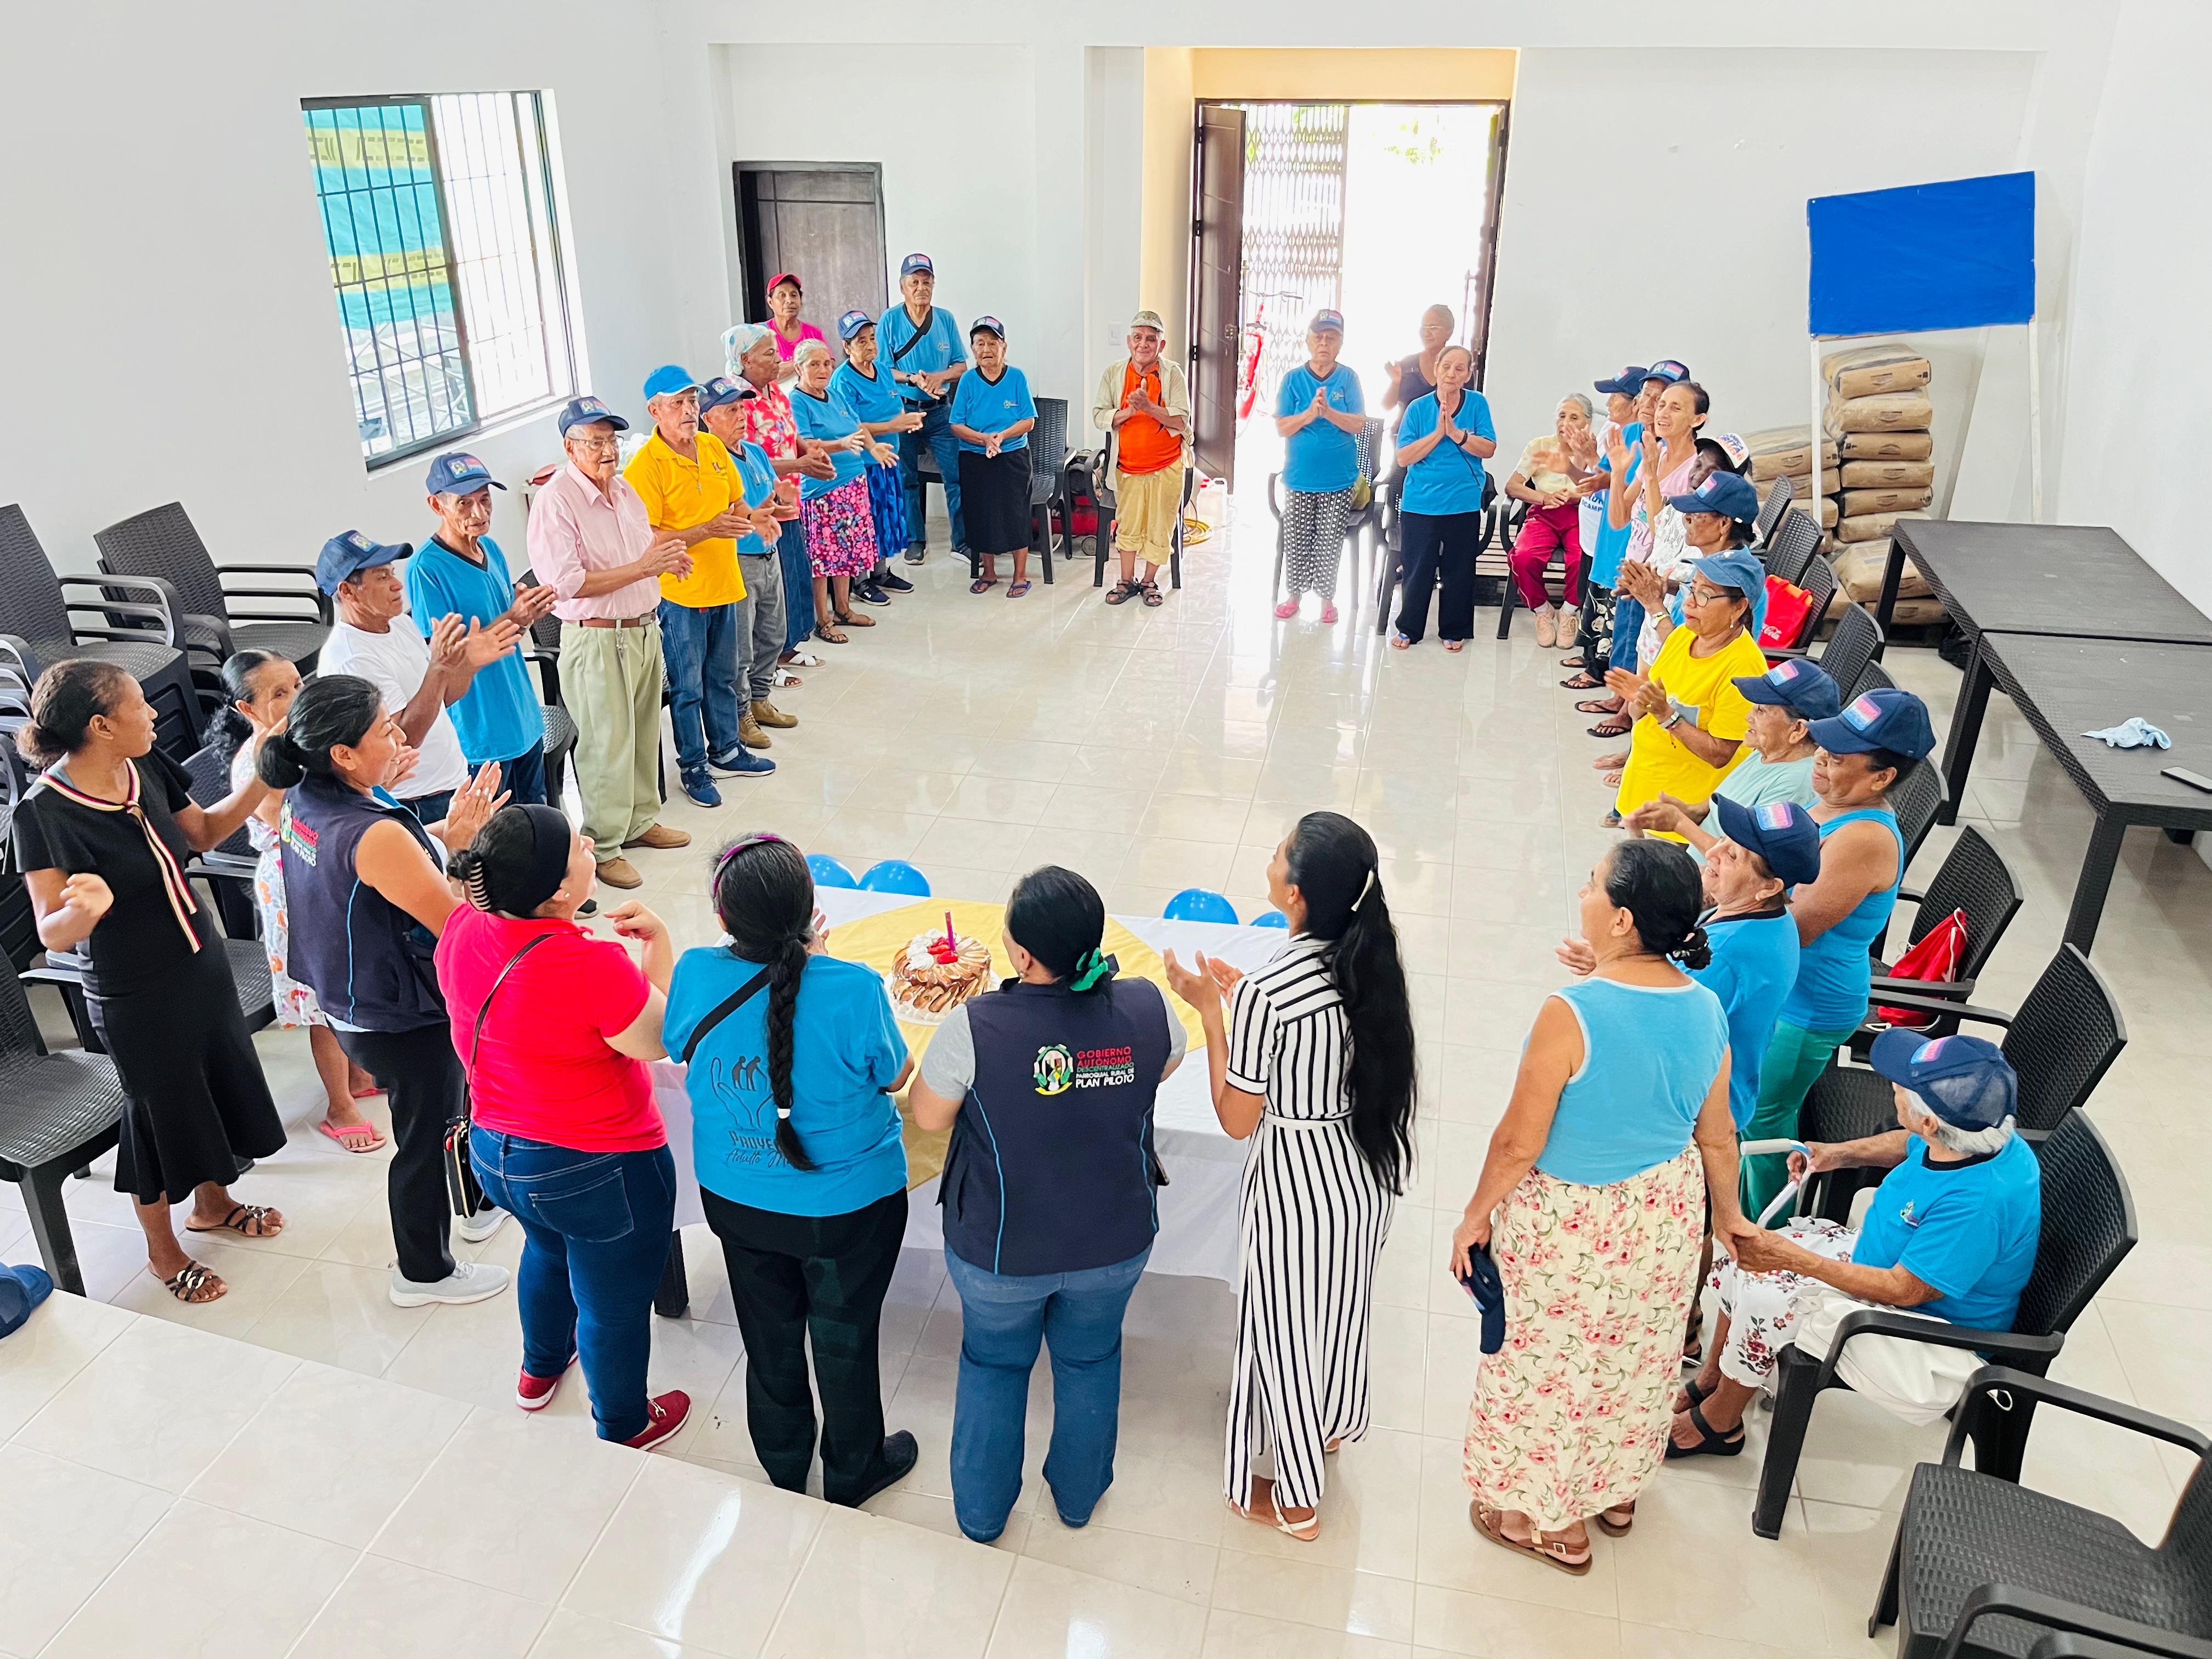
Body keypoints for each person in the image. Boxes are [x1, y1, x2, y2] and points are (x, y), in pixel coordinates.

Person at [1453, 840, 1746, 1572]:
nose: (1582, 895)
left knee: (1547, 1366)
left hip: (1572, 1222)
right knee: (1636, 1359)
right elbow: (1717, 1135)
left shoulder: (1571, 1013)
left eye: (1592, 885)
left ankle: (1548, 1524)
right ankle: (1616, 1497)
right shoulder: (1705, 1007)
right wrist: (1731, 1219)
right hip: (1665, 1214)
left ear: (1621, 920)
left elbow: (1519, 1142)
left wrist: (1475, 1215)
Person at [911, 866, 1184, 1542]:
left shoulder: (976, 1025)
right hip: (1115, 1240)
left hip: (1001, 1250)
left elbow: (930, 1116)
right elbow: (1163, 1065)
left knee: (995, 1366)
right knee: (1090, 1360)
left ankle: (981, 1515)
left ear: (1024, 956)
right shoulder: (1148, 1008)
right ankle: (1079, 1499)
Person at [1164, 811, 1415, 1544]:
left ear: (1297, 894)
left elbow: (1237, 1117)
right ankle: (1329, 1425)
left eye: (1279, 854)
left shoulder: (1274, 988)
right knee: (1336, 1312)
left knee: (1281, 1332)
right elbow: (1323, 1037)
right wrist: (1244, 1003)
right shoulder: (1367, 958)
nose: (1269, 861)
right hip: (1361, 1174)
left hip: (1295, 1186)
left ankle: (1297, 1499)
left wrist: (1213, 1015)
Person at [12, 662, 289, 1305]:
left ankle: (214, 1204)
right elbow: (52, 931)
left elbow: (203, 832)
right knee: (158, 1113)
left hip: (200, 960)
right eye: (140, 704)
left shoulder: (143, 763)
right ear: (102, 725)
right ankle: (163, 1252)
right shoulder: (42, 813)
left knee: (213, 1084)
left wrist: (263, 768)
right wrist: (83, 912)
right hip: (134, 990)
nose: (156, 712)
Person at [672, 834, 918, 1505]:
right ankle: (853, 1470)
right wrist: (822, 963)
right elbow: (897, 1075)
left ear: (723, 919)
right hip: (848, 1209)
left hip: (736, 1198)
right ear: (812, 915)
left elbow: (676, 1040)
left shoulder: (695, 972)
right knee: (845, 1339)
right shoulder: (854, 988)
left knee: (767, 1335)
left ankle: (783, 1463)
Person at [439, 803, 691, 1449]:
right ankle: (624, 1425)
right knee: (613, 1305)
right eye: (576, 844)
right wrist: (659, 948)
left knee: (547, 1252)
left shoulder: (463, 927)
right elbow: (660, 1040)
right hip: (597, 1166)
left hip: (497, 1153)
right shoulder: (592, 966)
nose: (587, 841)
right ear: (557, 893)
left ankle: (540, 1369)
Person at [262, 672, 514, 1307]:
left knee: (452, 1114)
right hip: (400, 1014)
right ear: (343, 754)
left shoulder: (304, 797)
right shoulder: (373, 833)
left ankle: (476, 1205)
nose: (401, 738)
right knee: (426, 1140)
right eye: (385, 730)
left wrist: (428, 826)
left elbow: (374, 876)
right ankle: (422, 1273)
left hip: (351, 997)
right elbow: (455, 926)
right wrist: (463, 851)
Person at [1675, 1031, 2040, 1457]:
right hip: (1884, 1260)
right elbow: (1909, 1142)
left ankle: (1721, 1423)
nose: (1893, 1085)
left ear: (1929, 1121)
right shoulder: (1977, 1131)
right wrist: (1838, 1154)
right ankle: (1715, 1377)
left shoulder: (1980, 1203)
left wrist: (1794, 1259)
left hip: (1926, 1326)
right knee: (1742, 1262)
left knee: (1766, 1296)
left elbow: (1905, 1290)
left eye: (1902, 1086)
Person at [1741, 689, 1937, 1216]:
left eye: (1841, 756)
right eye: (1827, 745)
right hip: (1785, 988)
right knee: (1748, 1110)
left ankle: (1766, 1232)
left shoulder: (1863, 837)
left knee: (1764, 1119)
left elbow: (1795, 929)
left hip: (1808, 1005)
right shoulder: (1829, 803)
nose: (1822, 757)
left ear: (1881, 777)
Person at [214, 650, 384, 1152]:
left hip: (325, 869)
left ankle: (359, 1075)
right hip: (295, 882)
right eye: (279, 693)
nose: (295, 697)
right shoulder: (258, 762)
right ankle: (339, 1105)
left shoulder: (303, 742)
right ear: (248, 710)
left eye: (297, 684)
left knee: (347, 977)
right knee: (319, 997)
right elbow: (296, 824)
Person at [526, 395, 695, 892]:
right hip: (597, 638)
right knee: (605, 745)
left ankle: (639, 822)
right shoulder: (557, 501)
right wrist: (643, 569)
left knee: (643, 733)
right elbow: (567, 584)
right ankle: (601, 847)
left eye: (612, 440)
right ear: (570, 447)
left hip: (642, 629)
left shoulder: (622, 490)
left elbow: (641, 549)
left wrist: (666, 557)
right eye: (595, 442)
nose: (608, 451)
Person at [623, 364, 777, 808]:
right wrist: (706, 530)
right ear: (655, 411)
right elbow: (649, 540)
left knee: (723, 676)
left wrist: (756, 518)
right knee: (688, 688)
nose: (689, 410)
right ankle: (693, 767)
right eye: (678, 403)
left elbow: (736, 504)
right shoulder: (645, 467)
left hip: (725, 582)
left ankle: (727, 750)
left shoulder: (711, 446)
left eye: (692, 401)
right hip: (681, 594)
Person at [315, 530, 516, 829]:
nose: (397, 585)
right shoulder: (351, 658)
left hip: (452, 782)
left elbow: (439, 697)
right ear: (348, 591)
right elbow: (403, 738)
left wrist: (470, 664)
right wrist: (439, 667)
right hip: (417, 802)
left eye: (392, 573)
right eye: (382, 577)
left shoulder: (398, 623)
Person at [408, 452, 558, 805]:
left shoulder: (490, 548)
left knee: (539, 822)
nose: (479, 513)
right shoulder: (426, 569)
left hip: (522, 718)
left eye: (485, 500)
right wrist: (514, 618)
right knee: (496, 832)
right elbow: (446, 659)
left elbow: (509, 635)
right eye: (464, 503)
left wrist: (526, 616)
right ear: (436, 505)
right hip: (480, 733)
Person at [1606, 545, 1770, 831]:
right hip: (1643, 790)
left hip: (1682, 814)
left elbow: (1720, 754)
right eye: (1691, 589)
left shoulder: (1745, 670)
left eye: (1705, 595)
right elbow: (1647, 707)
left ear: (1739, 607)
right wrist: (1641, 702)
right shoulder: (1685, 635)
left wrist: (1665, 714)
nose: (1689, 603)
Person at [1621, 658, 1836, 851]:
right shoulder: (1765, 753)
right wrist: (1687, 811)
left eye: (1761, 710)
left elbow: (1744, 865)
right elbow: (1713, 812)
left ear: (1797, 730)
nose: (1749, 717)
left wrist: (1680, 823)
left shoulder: (1794, 785)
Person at [1567, 362, 1685, 711]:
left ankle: (1626, 708)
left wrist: (1633, 475)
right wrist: (1610, 470)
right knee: (1624, 632)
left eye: (1665, 401)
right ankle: (1620, 702)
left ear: (1696, 417)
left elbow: (1662, 524)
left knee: (1638, 639)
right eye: (1647, 397)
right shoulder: (1638, 439)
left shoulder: (1689, 463)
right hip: (1629, 553)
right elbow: (1621, 513)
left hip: (1657, 568)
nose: (1651, 406)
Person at [727, 325, 840, 665]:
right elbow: (745, 458)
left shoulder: (776, 391)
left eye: (777, 352)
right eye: (770, 353)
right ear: (746, 359)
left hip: (790, 500)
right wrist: (800, 465)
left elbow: (790, 435)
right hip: (760, 506)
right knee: (767, 589)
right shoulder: (737, 401)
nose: (779, 359)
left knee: (793, 576)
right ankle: (769, 662)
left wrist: (810, 453)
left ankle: (787, 649)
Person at [698, 374, 802, 746]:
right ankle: (741, 714)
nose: (741, 416)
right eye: (730, 410)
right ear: (708, 418)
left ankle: (760, 699)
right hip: (738, 560)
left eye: (742, 408)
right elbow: (722, 514)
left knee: (773, 635)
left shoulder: (755, 453)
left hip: (769, 554)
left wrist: (781, 501)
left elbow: (771, 500)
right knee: (740, 646)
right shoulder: (709, 461)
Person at [1389, 343, 1497, 651]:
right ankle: (1409, 628)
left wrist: (1458, 434)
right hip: (1421, 504)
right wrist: (1439, 433)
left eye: (1459, 368)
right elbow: (1403, 457)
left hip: (1462, 502)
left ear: (1468, 375)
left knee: (1459, 570)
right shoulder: (1418, 408)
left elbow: (1489, 448)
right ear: (1436, 369)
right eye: (1446, 366)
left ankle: (1454, 629)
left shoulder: (1477, 404)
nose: (1451, 373)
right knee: (1417, 569)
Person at [791, 338, 900, 639]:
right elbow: (805, 444)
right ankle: (823, 620)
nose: (823, 370)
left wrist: (874, 448)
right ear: (799, 368)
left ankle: (843, 609)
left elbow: (858, 427)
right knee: (822, 559)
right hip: (822, 490)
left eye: (827, 364)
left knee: (847, 552)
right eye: (814, 364)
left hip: (853, 485)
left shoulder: (835, 394)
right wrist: (842, 444)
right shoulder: (797, 401)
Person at [1272, 311, 1367, 624]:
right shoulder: (1293, 379)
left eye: (1331, 338)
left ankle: (1327, 600)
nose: (1324, 343)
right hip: (1299, 477)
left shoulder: (1349, 378)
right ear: (1309, 341)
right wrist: (1310, 414)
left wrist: (1329, 413)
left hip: (1339, 479)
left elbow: (1358, 424)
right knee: (1297, 539)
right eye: (1319, 337)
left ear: (1341, 343)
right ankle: (1294, 596)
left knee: (1330, 540)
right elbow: (1283, 427)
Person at [1091, 308, 1190, 608]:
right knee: (1128, 526)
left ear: (1161, 345)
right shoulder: (1114, 374)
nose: (1143, 344)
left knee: (1161, 527)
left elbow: (1181, 422)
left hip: (1167, 467)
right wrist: (1129, 412)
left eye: (1151, 339)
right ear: (1129, 342)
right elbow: (1099, 416)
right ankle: (1126, 581)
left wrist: (1148, 408)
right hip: (1128, 468)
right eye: (1138, 338)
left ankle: (1149, 582)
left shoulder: (1173, 374)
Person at [877, 253, 970, 566]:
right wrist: (912, 378)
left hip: (941, 411)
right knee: (907, 477)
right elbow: (883, 369)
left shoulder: (945, 319)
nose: (921, 288)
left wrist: (939, 377)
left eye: (926, 282)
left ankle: (962, 542)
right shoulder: (890, 320)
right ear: (903, 287)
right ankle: (915, 540)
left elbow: (960, 366)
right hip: (903, 411)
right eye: (914, 282)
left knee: (956, 476)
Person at [830, 309, 923, 605]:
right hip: (862, 464)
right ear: (847, 347)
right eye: (861, 341)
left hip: (889, 458)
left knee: (886, 518)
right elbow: (851, 425)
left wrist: (908, 421)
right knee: (865, 522)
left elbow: (895, 408)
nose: (870, 345)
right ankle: (860, 581)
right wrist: (895, 426)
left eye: (872, 338)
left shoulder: (883, 370)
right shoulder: (842, 380)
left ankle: (881, 572)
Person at [947, 317, 1038, 596]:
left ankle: (1020, 576)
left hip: (1012, 456)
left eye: (992, 343)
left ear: (1004, 347)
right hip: (975, 457)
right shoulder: (968, 381)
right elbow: (956, 424)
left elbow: (1028, 421)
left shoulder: (1017, 377)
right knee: (980, 514)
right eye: (980, 344)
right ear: (973, 349)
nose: (986, 349)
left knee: (1017, 514)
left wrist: (1001, 437)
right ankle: (989, 572)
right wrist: (984, 439)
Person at [1502, 393, 1601, 648]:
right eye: (1562, 416)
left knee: (1582, 558)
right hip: (1544, 512)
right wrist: (1544, 497)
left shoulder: (1596, 449)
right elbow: (1512, 486)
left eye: (1574, 417)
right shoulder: (1540, 446)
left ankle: (1569, 611)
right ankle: (1542, 610)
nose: (1565, 422)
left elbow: (1599, 489)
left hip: (1580, 514)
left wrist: (1578, 474)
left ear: (1587, 423)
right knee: (1523, 557)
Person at [1380, 304, 1455, 419]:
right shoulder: (1408, 364)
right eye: (1423, 328)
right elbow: (1386, 406)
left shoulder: (1458, 368)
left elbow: (1468, 411)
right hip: (1407, 429)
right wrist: (1395, 382)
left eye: (1433, 328)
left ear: (1449, 332)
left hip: (1444, 430)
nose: (1426, 333)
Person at [764, 272, 826, 383]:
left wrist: (791, 367)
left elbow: (828, 363)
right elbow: (761, 374)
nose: (790, 301)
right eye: (782, 295)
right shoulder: (761, 333)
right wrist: (804, 363)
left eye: (794, 295)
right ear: (770, 302)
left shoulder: (813, 333)